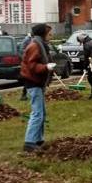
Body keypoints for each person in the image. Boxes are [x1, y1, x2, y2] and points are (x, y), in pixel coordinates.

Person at [20, 23, 56, 153]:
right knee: (37, 113)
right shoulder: (34, 46)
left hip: (38, 83)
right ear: (43, 34)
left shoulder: (40, 44)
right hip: (33, 83)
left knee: (41, 113)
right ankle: (29, 142)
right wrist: (46, 67)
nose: (51, 36)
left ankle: (38, 139)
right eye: (49, 34)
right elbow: (31, 66)